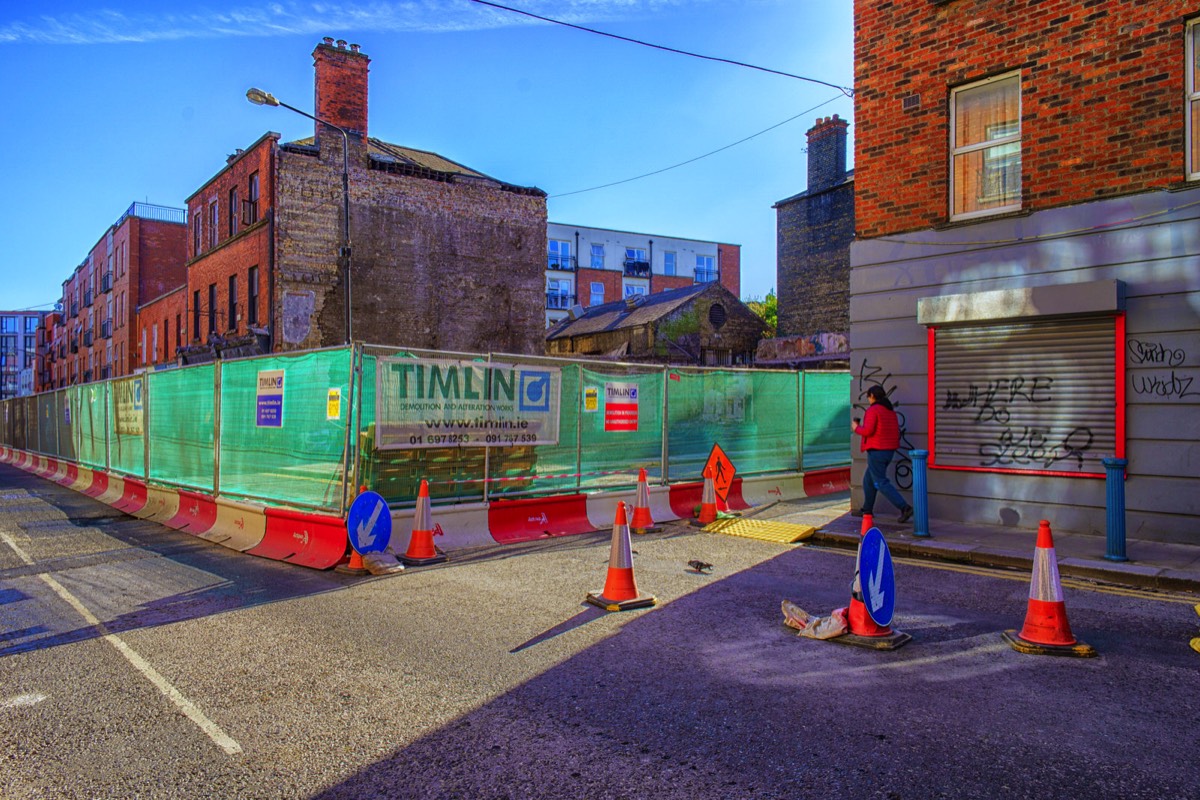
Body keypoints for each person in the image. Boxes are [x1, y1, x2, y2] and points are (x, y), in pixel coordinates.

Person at [852, 385, 913, 524]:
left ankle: (904, 507)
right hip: (888, 451)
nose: (868, 399)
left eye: (868, 396)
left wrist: (856, 427)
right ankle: (867, 510)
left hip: (877, 451)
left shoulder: (874, 410)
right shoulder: (890, 410)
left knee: (880, 482)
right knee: (868, 480)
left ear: (872, 395)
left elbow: (868, 431)